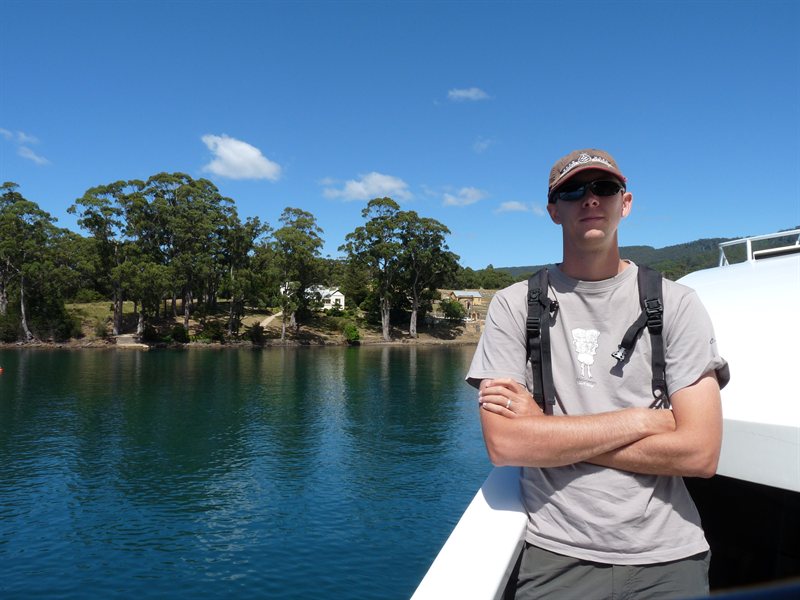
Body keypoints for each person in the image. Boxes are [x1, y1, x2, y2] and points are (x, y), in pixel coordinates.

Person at [466, 148, 730, 599]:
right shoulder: (513, 305)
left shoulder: (676, 303)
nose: (590, 199)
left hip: (670, 558)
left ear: (624, 203)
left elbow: (700, 453)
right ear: (553, 210)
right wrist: (645, 420)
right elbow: (506, 444)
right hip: (556, 557)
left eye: (603, 188)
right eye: (572, 190)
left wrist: (546, 433)